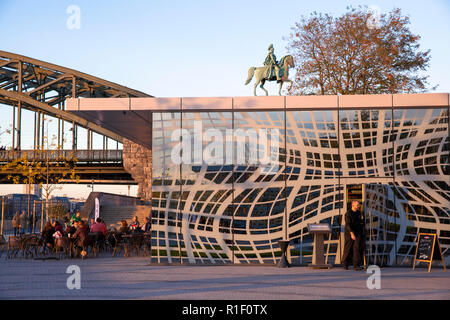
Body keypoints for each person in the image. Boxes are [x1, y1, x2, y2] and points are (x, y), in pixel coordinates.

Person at [342, 200, 365, 270]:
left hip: (357, 232)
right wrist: (352, 234)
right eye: (357, 205)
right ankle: (345, 263)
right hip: (349, 233)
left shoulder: (358, 213)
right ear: (353, 205)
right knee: (348, 248)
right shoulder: (348, 213)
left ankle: (356, 264)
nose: (358, 206)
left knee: (356, 248)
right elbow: (348, 224)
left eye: (358, 205)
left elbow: (359, 223)